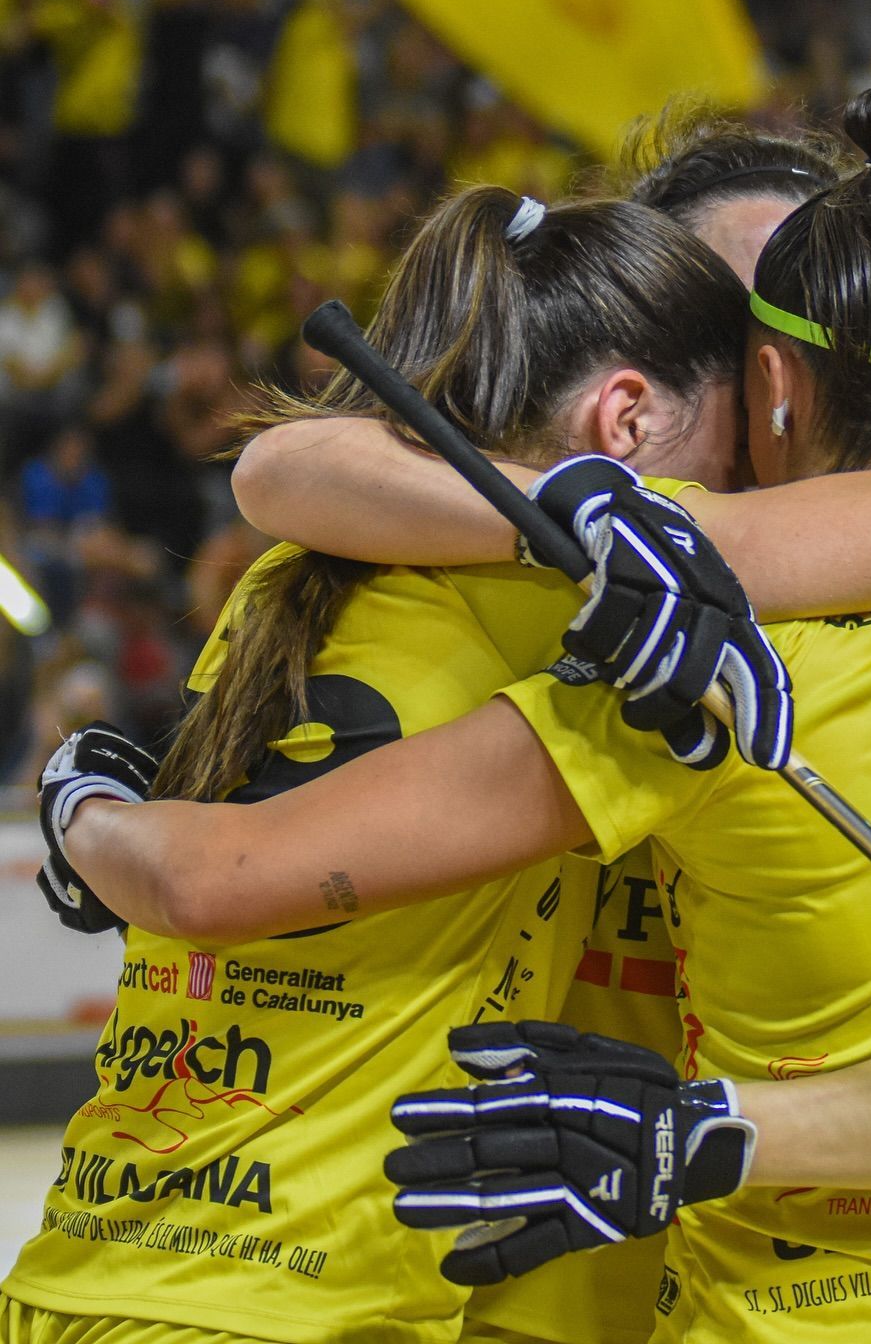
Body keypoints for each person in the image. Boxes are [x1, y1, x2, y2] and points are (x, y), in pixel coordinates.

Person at [46, 87, 871, 1343]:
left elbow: (285, 472)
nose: (772, 378)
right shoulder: (642, 603)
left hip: (617, 1253)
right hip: (537, 1274)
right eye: (739, 332)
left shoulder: (666, 589)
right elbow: (292, 471)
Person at [0, 183, 764, 1344]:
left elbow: (278, 469)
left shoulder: (294, 569)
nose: (747, 490)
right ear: (628, 421)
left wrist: (79, 805)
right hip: (285, 1303)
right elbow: (216, 878)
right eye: (736, 449)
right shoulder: (580, 630)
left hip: (100, 1258)